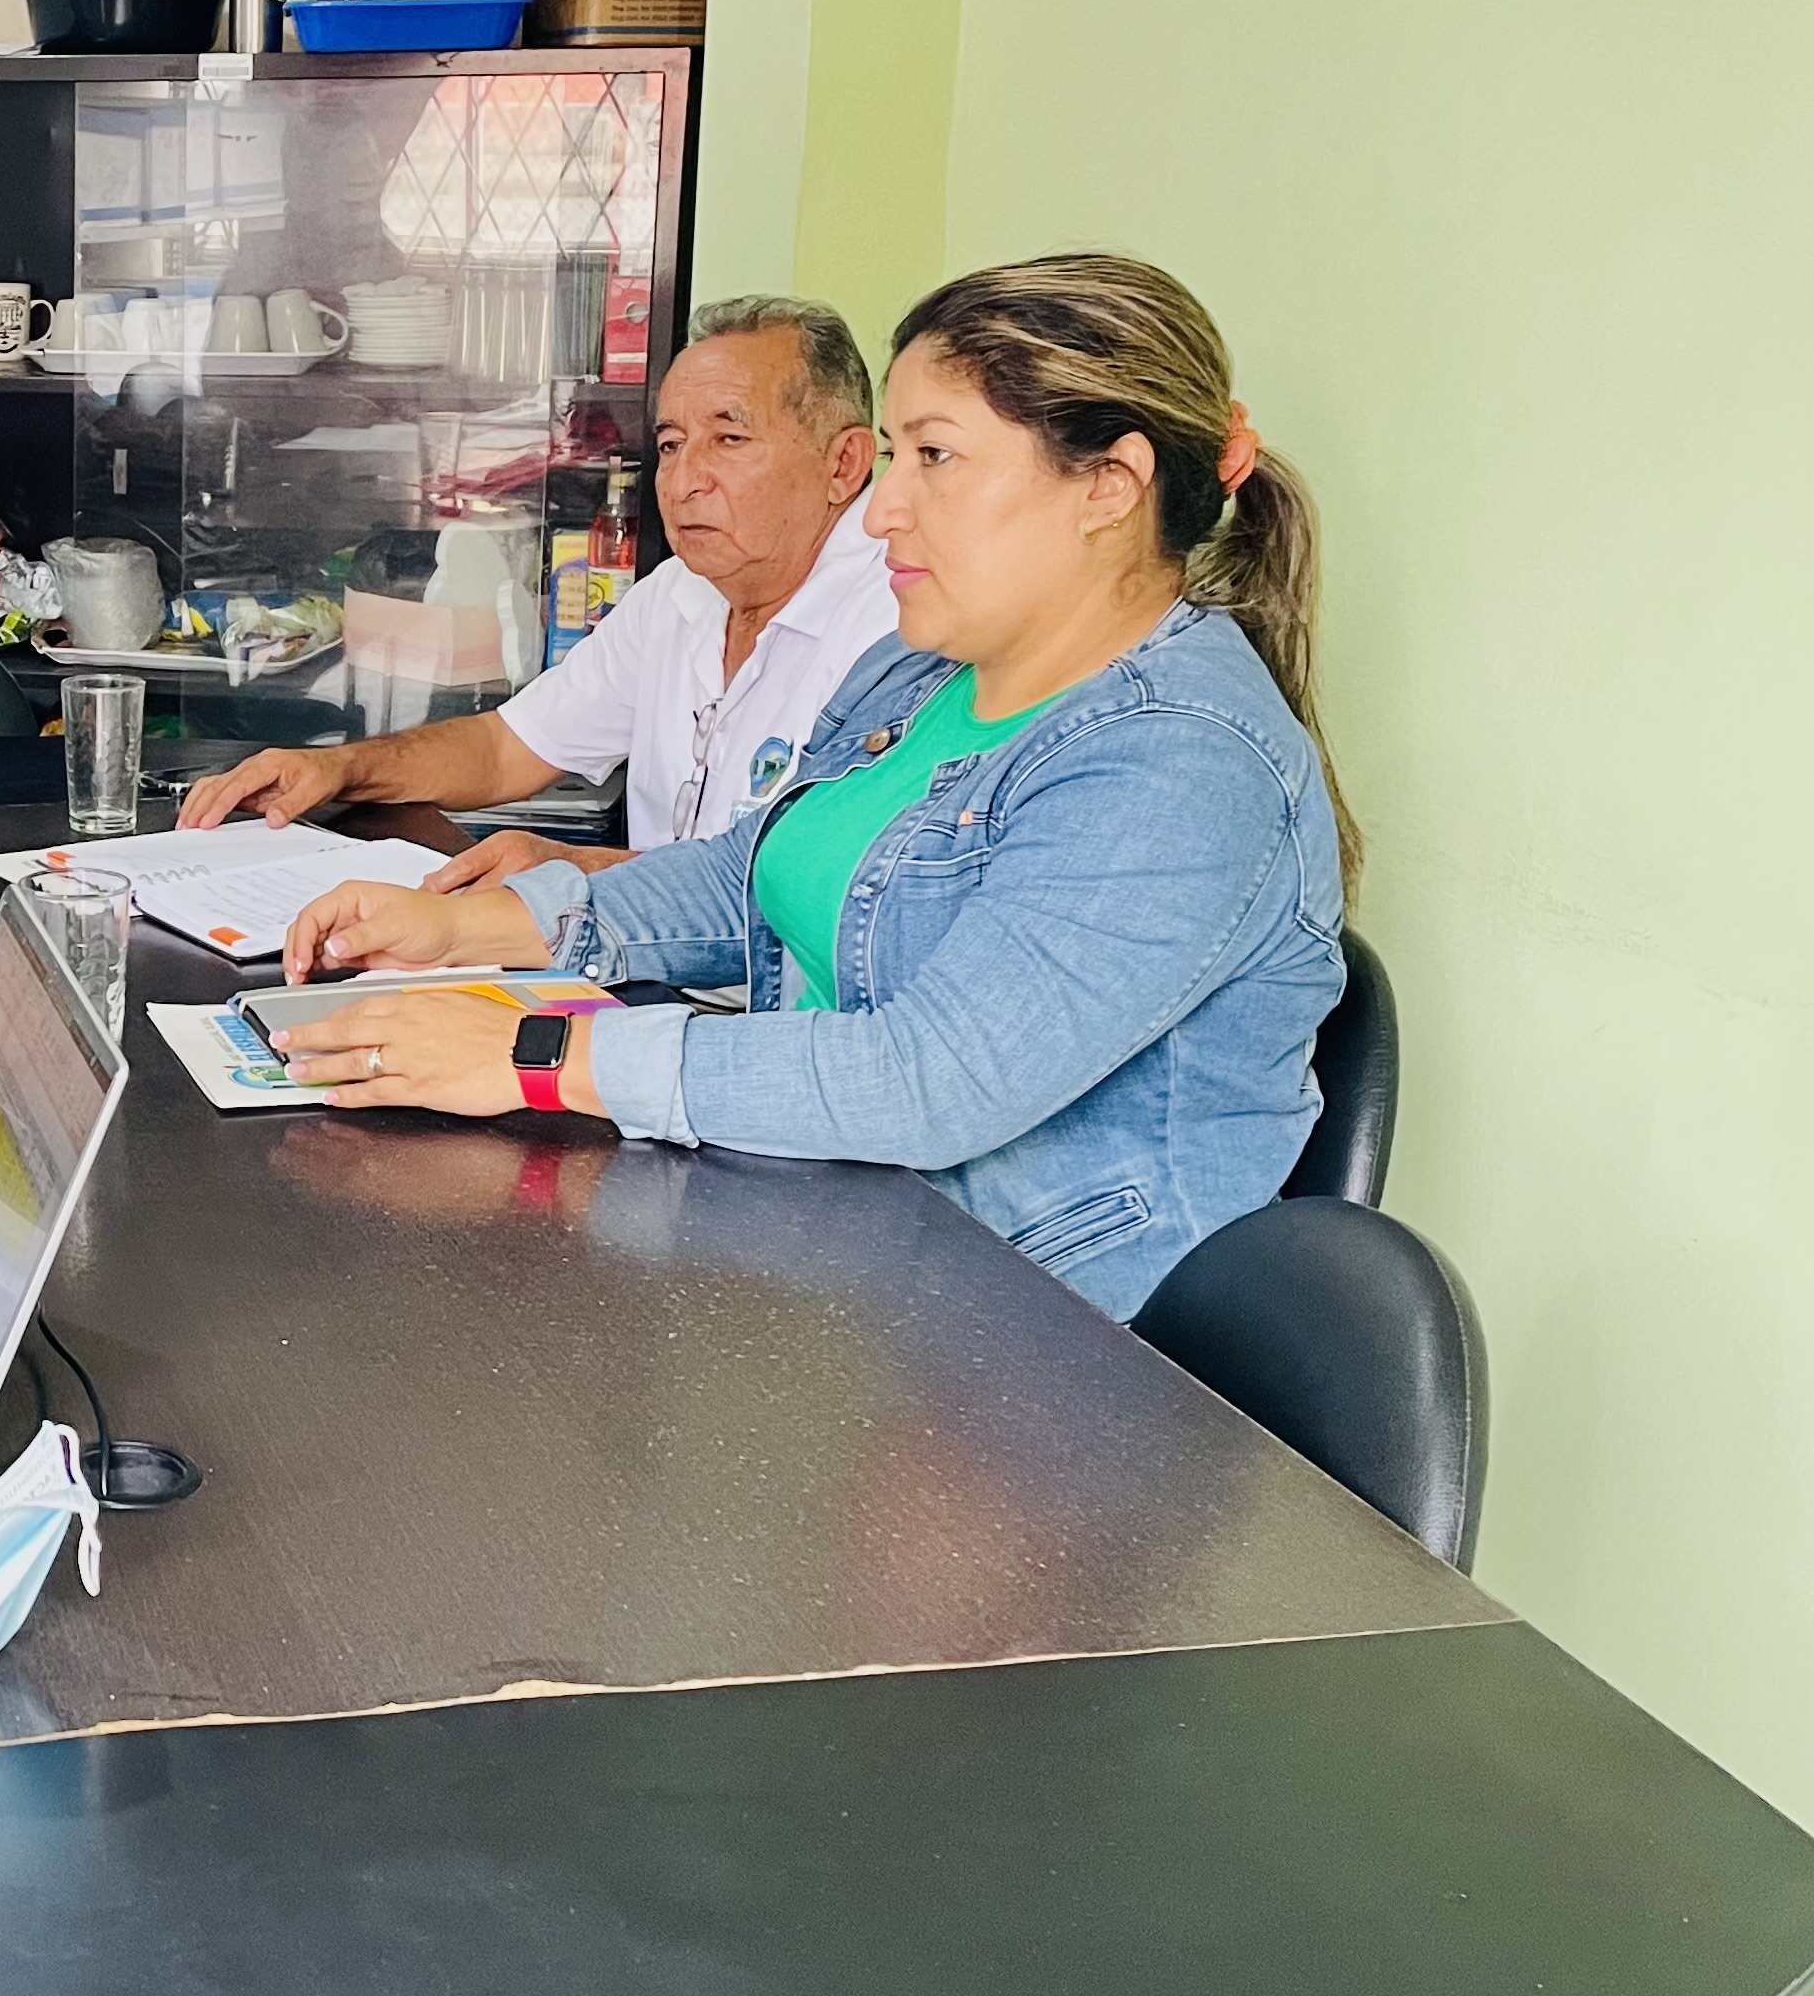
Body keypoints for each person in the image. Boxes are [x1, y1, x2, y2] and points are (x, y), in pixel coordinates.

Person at [265, 255, 1351, 1319]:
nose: (882, 511)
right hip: (831, 1235)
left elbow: (932, 1080)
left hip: (1031, 1337)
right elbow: (752, 877)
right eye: (896, 456)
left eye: (936, 456)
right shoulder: (925, 672)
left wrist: (530, 1053)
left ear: (1109, 486)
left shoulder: (1180, 760)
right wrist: (471, 927)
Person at [177, 296, 895, 892]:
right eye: (672, 444)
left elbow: (817, 894)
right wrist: (337, 769)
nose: (683, 481)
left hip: (770, 1005)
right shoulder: (681, 593)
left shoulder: (893, 629)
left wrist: (578, 871)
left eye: (729, 440)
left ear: (843, 464)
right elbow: (507, 748)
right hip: (635, 970)